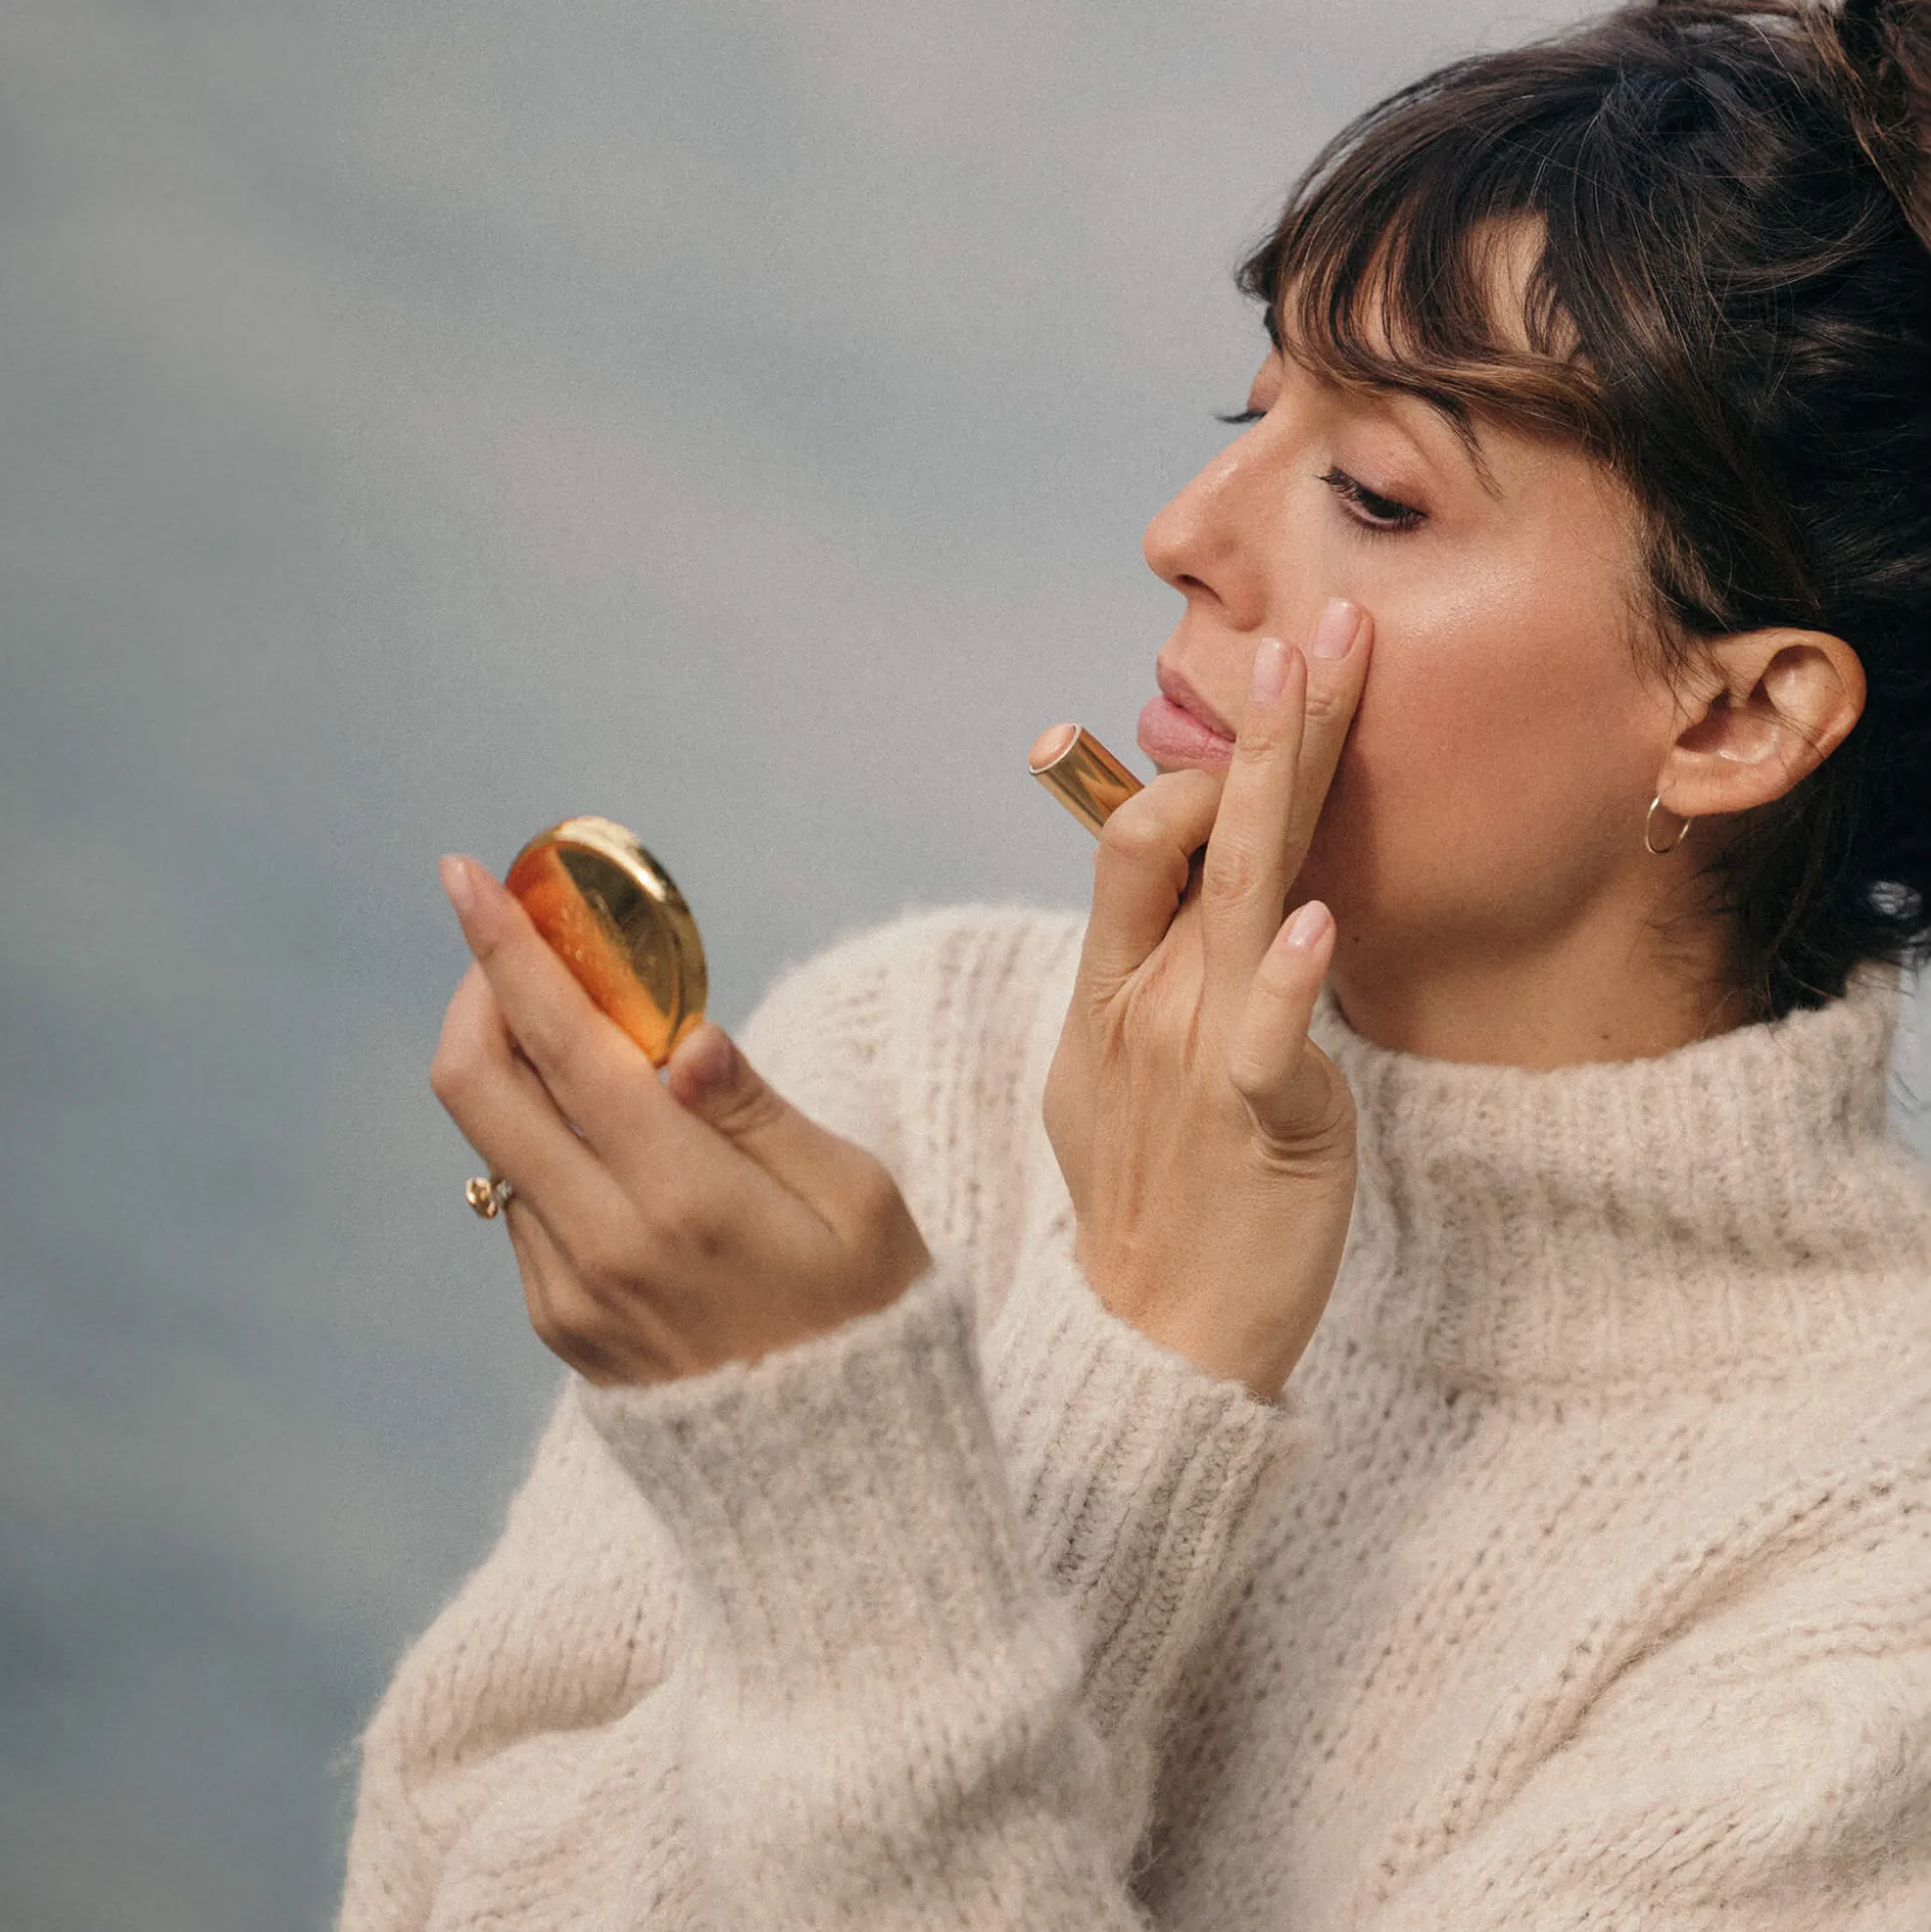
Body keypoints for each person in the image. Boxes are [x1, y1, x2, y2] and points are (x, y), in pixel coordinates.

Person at [336, 2, 1931, 1924]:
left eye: (1379, 497)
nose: (1182, 535)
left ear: (1740, 717)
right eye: (1252, 420)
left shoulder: (1872, 1591)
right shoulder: (922, 1063)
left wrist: (1020, 1406)